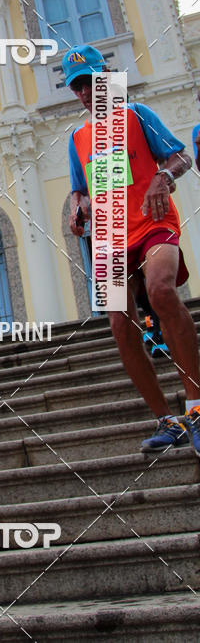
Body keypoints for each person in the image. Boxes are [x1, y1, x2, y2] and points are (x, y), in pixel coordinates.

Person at [64, 45, 200, 455]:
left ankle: (196, 407)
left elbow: (181, 157)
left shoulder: (138, 115)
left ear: (107, 78)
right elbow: (81, 188)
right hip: (110, 235)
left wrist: (162, 175)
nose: (86, 92)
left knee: (160, 291)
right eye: (78, 86)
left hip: (153, 220)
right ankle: (166, 420)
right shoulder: (78, 137)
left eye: (91, 81)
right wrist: (78, 205)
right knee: (120, 322)